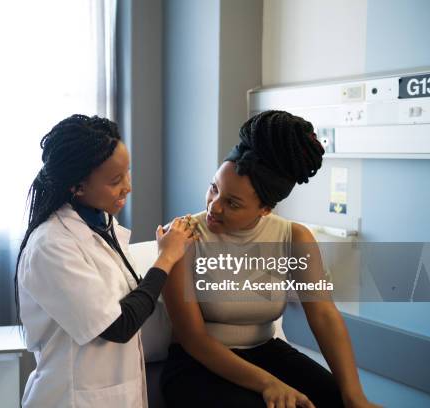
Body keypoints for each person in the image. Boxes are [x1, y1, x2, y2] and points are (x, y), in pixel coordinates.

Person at [161, 111, 381, 408]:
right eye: (214, 188)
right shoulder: (183, 235)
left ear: (265, 209)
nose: (214, 207)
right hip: (197, 364)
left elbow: (324, 316)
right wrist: (269, 384)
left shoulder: (293, 238)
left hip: (266, 352)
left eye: (232, 203)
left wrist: (355, 396)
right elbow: (193, 339)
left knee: (338, 401)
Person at [14, 114, 197, 408]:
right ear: (78, 187)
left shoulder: (100, 225)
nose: (128, 187)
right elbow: (119, 326)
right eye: (115, 180)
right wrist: (166, 258)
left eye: (128, 172)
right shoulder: (51, 245)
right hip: (71, 397)